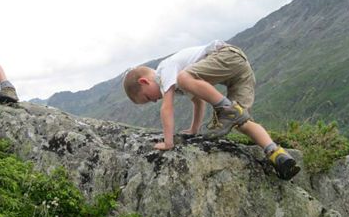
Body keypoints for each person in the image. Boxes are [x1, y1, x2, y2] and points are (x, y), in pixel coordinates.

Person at [123, 40, 300, 180]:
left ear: (144, 82)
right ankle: (277, 154)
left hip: (227, 55)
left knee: (183, 78)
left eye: (148, 97)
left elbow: (166, 108)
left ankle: (226, 109)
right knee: (241, 121)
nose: (154, 100)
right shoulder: (181, 83)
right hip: (240, 71)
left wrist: (168, 143)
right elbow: (198, 101)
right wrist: (194, 129)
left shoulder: (165, 70)